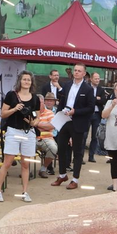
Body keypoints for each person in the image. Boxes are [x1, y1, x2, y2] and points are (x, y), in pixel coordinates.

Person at [0, 71, 41, 203]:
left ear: (32, 82)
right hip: (13, 131)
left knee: (26, 164)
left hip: (28, 132)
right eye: (24, 79)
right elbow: (3, 114)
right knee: (7, 162)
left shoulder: (35, 98)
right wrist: (15, 109)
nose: (26, 82)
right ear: (20, 81)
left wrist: (33, 122)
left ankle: (25, 192)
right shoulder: (11, 95)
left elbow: (38, 117)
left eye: (29, 80)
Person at [50, 63, 95, 191]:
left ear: (84, 73)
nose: (76, 72)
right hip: (64, 120)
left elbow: (91, 108)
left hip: (78, 122)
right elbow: (62, 101)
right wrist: (58, 114)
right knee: (61, 148)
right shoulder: (67, 85)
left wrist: (76, 112)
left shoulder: (88, 89)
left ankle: (75, 179)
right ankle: (62, 174)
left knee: (77, 151)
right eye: (75, 70)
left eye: (79, 71)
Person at [35, 92, 58, 176]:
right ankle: (26, 170)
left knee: (53, 148)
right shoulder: (32, 112)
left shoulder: (50, 113)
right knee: (24, 147)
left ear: (43, 102)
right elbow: (29, 125)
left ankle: (44, 168)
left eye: (39, 102)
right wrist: (44, 126)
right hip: (33, 138)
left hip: (47, 138)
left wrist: (36, 124)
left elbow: (51, 126)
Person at [87, 71, 107, 163]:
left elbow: (103, 100)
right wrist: (96, 99)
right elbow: (87, 100)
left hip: (97, 115)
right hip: (87, 114)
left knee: (95, 136)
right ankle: (79, 156)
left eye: (99, 78)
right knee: (84, 135)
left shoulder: (101, 90)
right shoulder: (86, 88)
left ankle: (91, 156)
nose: (97, 80)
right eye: (96, 78)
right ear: (91, 79)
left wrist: (95, 99)